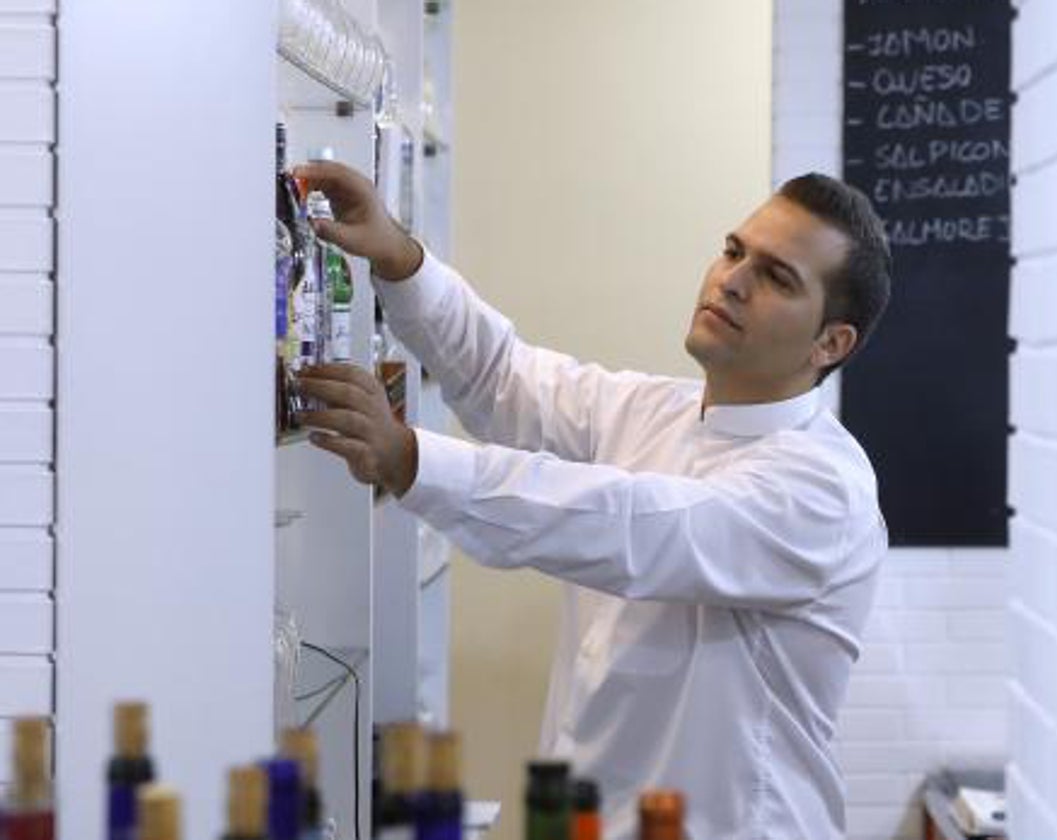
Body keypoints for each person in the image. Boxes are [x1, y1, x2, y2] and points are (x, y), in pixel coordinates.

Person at [294, 160, 891, 840]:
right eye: (734, 250)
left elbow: (632, 528)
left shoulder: (823, 490)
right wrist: (401, 259)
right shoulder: (655, 410)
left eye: (777, 277)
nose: (733, 280)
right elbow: (503, 376)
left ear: (831, 343)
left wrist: (410, 459)